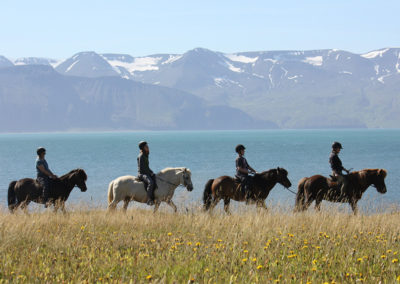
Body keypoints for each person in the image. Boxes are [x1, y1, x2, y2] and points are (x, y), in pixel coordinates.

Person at [137, 141, 156, 205]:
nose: (148, 147)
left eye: (147, 146)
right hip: (142, 174)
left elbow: (147, 167)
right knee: (150, 182)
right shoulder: (141, 156)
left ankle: (154, 197)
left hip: (146, 173)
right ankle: (149, 199)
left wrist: (151, 172)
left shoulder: (145, 155)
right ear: (142, 148)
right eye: (146, 146)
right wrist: (149, 173)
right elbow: (142, 168)